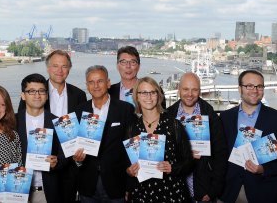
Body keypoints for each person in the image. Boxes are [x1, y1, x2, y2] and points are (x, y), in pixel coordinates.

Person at [18, 50, 87, 202]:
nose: (59, 71)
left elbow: (82, 131)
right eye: (55, 66)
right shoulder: (34, 93)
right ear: (48, 68)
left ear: (69, 68)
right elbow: (20, 131)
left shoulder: (79, 95)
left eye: (64, 66)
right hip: (36, 170)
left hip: (68, 168)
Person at [220, 70, 277, 203]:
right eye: (249, 86)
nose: (255, 90)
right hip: (229, 190)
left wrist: (264, 169)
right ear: (239, 88)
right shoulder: (225, 117)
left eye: (259, 86)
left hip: (264, 191)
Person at [126, 76, 194, 202]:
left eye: (152, 92)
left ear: (158, 95)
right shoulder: (132, 129)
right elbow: (125, 165)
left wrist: (172, 168)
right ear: (137, 97)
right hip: (141, 194)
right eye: (144, 93)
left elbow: (189, 162)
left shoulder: (173, 125)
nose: (149, 97)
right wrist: (129, 171)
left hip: (171, 192)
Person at [73, 65, 134, 202]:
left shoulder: (125, 109)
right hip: (87, 185)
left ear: (108, 83)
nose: (96, 86)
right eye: (91, 82)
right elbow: (73, 147)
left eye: (100, 81)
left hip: (116, 184)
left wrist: (130, 186)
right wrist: (77, 161)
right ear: (87, 85)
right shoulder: (78, 111)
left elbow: (131, 150)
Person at [167, 72, 228, 202]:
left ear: (199, 91)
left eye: (194, 90)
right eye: (185, 89)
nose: (190, 94)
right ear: (178, 90)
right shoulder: (169, 115)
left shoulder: (210, 115)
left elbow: (221, 153)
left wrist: (214, 190)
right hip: (176, 187)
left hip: (204, 188)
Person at [16, 73, 63, 203]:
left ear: (47, 95)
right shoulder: (12, 122)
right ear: (23, 96)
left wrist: (57, 162)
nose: (37, 95)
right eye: (31, 91)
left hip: (47, 193)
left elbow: (65, 156)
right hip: (18, 192)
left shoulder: (57, 122)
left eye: (41, 91)